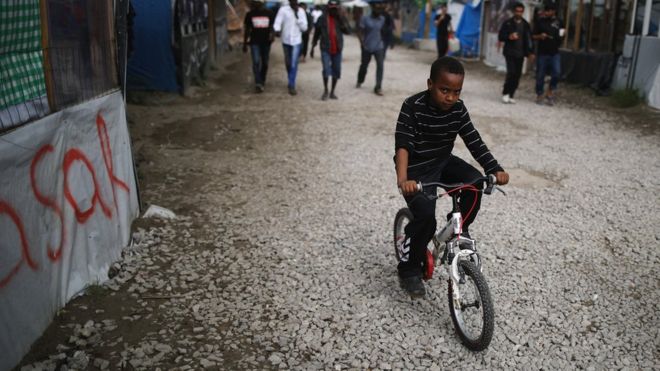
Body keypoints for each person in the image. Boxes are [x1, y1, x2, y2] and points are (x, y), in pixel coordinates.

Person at [394, 57, 509, 297]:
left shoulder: (458, 109)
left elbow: (474, 141)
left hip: (443, 160)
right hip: (416, 168)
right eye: (444, 90)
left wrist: (494, 168)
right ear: (430, 84)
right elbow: (403, 145)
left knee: (475, 182)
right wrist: (403, 179)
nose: (450, 97)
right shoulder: (412, 106)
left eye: (456, 92)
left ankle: (461, 229)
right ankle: (408, 270)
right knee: (426, 218)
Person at [310, 0, 350, 100]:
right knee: (326, 70)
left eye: (335, 9)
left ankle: (332, 91)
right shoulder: (322, 19)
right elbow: (317, 33)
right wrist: (312, 47)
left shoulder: (340, 18)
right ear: (328, 8)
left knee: (336, 70)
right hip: (325, 48)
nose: (333, 11)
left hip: (337, 49)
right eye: (331, 8)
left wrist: (341, 19)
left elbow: (348, 31)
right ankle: (325, 90)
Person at [497, 2, 533, 104]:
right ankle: (505, 93)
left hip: (521, 53)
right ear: (514, 12)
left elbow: (529, 39)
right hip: (510, 52)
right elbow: (501, 36)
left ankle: (512, 94)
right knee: (511, 72)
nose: (519, 13)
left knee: (517, 75)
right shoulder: (508, 23)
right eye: (517, 11)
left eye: (521, 11)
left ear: (523, 12)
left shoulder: (526, 25)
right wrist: (509, 36)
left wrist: (530, 52)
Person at [274, 0, 308, 95]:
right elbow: (277, 22)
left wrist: (298, 16)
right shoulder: (283, 10)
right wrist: (277, 30)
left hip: (297, 41)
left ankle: (291, 84)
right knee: (288, 63)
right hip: (286, 40)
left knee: (293, 63)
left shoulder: (301, 11)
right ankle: (290, 78)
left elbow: (304, 28)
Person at [532, 3, 564, 106]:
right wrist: (540, 36)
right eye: (546, 11)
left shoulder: (559, 22)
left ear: (553, 11)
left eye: (549, 11)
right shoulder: (540, 22)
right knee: (540, 74)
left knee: (557, 72)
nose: (546, 13)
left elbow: (562, 34)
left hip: (555, 52)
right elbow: (533, 36)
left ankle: (550, 92)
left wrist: (563, 35)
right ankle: (539, 94)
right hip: (542, 53)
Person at [243, 0, 274, 93]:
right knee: (256, 62)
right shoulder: (250, 14)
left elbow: (273, 27)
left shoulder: (270, 13)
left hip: (266, 43)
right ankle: (258, 83)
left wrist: (272, 35)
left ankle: (262, 79)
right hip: (254, 42)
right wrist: (245, 43)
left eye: (258, 2)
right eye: (255, 2)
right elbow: (247, 30)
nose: (256, 4)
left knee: (265, 63)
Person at [356, 1, 386, 96]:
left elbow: (382, 31)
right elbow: (359, 31)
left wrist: (383, 42)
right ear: (372, 8)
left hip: (379, 47)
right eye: (377, 8)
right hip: (367, 46)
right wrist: (362, 43)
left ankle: (378, 87)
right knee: (364, 65)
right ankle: (360, 80)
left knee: (380, 66)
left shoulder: (382, 19)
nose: (379, 10)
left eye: (380, 8)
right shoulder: (365, 19)